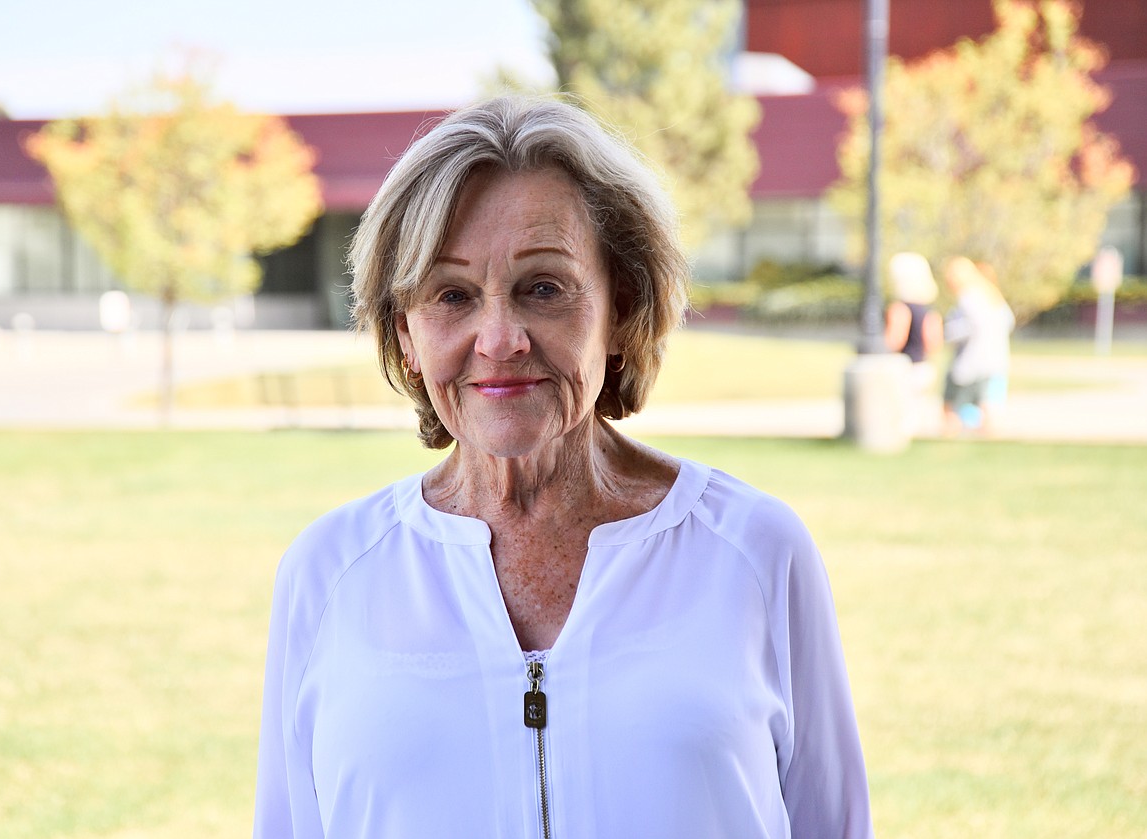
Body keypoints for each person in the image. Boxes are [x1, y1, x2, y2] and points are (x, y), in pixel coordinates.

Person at [253, 96, 874, 839]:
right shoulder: (331, 573)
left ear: (621, 306)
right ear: (406, 335)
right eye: (452, 295)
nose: (501, 338)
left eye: (543, 288)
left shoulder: (756, 552)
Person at [941, 256, 1016, 435]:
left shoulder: (969, 296)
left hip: (971, 361)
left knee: (953, 405)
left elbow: (974, 325)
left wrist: (949, 331)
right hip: (994, 360)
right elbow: (1008, 321)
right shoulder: (990, 294)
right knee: (987, 405)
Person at [884, 252, 943, 432]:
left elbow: (894, 340)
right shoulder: (929, 311)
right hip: (923, 366)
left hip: (904, 366)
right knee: (918, 411)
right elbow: (934, 342)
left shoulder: (900, 308)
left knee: (903, 415)